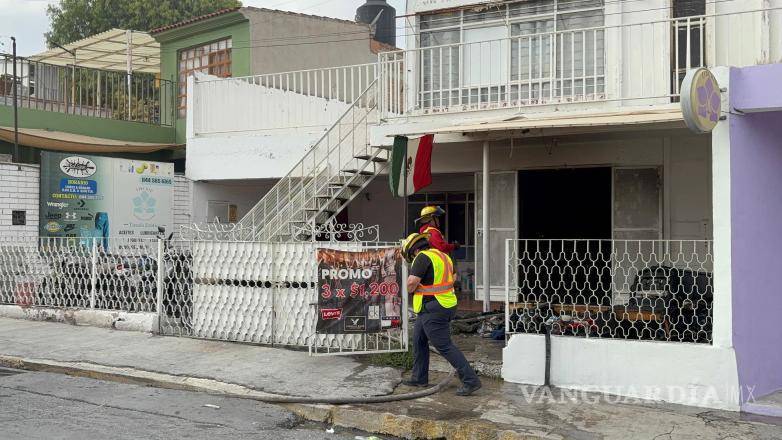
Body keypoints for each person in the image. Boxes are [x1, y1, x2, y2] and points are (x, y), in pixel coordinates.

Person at [400, 232, 481, 396]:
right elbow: (454, 277)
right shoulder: (443, 256)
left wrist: (406, 291)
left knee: (444, 346)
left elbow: (411, 284)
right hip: (441, 304)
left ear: (412, 250)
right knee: (419, 340)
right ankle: (419, 378)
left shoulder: (421, 257)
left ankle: (470, 380)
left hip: (433, 308)